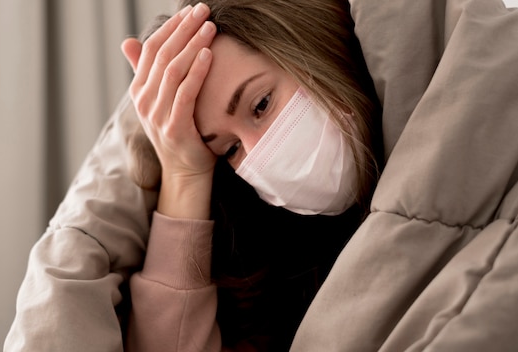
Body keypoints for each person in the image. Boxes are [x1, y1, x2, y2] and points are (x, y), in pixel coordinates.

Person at [120, 0, 382, 350]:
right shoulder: (275, 264)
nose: (259, 154)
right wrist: (185, 173)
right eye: (230, 149)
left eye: (261, 105)